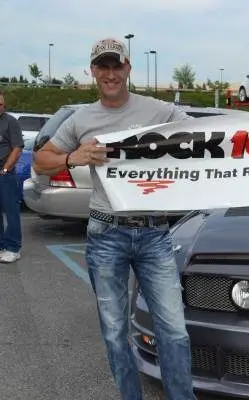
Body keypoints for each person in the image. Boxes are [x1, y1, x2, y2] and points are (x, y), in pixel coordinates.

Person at [32, 38, 197, 400]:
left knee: (173, 331)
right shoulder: (81, 119)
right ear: (93, 71)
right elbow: (41, 160)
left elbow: (213, 136)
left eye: (116, 66)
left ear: (128, 68)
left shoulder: (158, 110)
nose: (110, 74)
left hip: (154, 233)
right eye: (102, 66)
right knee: (114, 333)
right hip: (106, 234)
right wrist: (72, 157)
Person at [0, 91, 24, 264]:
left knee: (11, 213)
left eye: (1, 104)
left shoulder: (10, 122)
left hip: (5, 176)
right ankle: (1, 246)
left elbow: (17, 148)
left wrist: (5, 169)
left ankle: (13, 248)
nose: (0, 107)